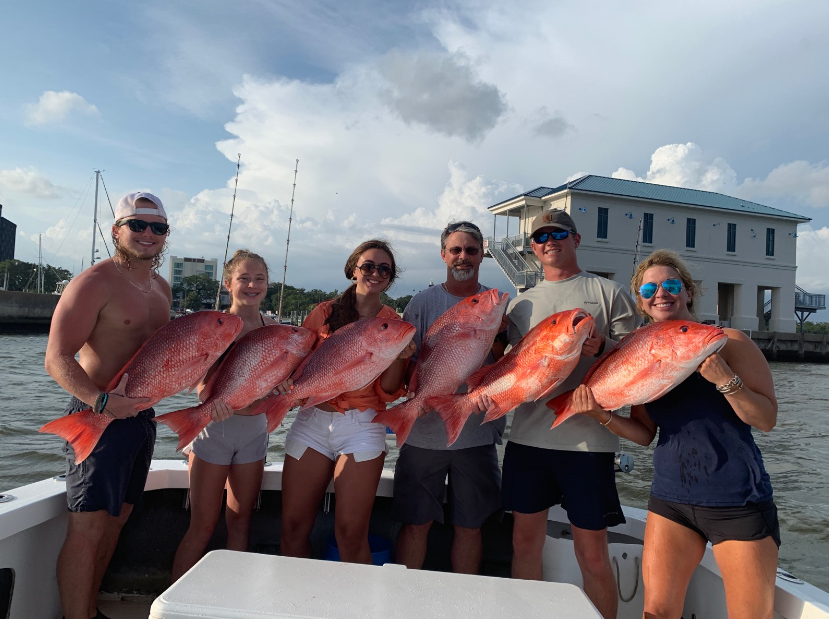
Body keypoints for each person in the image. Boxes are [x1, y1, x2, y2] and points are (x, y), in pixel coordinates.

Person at [571, 248, 779, 619]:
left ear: (688, 292)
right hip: (671, 499)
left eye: (670, 284)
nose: (661, 294)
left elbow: (765, 419)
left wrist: (726, 382)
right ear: (641, 302)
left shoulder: (727, 341)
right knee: (658, 612)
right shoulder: (643, 351)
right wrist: (600, 415)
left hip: (737, 500)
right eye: (649, 289)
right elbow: (643, 434)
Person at [503, 209, 638, 619]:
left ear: (576, 240)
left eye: (559, 233)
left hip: (588, 442)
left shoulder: (608, 292)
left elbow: (638, 355)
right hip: (527, 438)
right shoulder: (519, 303)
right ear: (532, 249)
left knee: (592, 552)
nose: (550, 241)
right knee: (524, 543)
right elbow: (512, 367)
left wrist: (606, 348)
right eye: (541, 236)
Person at [44, 192, 172, 619]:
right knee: (88, 527)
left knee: (118, 520)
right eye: (137, 224)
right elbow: (57, 358)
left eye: (158, 227)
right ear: (117, 230)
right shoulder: (94, 282)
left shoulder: (161, 287)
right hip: (95, 415)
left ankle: (91, 609)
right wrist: (101, 400)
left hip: (140, 420)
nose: (148, 234)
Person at [278, 239, 416, 563]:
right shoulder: (323, 312)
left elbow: (388, 391)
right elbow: (299, 364)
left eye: (385, 268)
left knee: (351, 534)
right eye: (368, 265)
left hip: (361, 426)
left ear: (391, 277)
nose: (376, 272)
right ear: (353, 269)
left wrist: (398, 358)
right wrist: (285, 382)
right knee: (292, 527)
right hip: (311, 421)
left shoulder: (393, 322)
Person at [392, 221, 506, 574]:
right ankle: (402, 601)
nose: (463, 257)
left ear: (481, 255)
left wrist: (499, 339)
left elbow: (505, 365)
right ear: (443, 255)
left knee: (470, 526)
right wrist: (417, 397)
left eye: (471, 250)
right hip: (424, 433)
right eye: (455, 250)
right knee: (415, 524)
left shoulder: (497, 302)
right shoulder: (422, 302)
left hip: (476, 433)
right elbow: (410, 364)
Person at [170, 250, 278, 582]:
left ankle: (233, 598)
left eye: (259, 278)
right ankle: (170, 602)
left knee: (240, 519)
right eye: (244, 278)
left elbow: (280, 384)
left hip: (255, 431)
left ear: (267, 285)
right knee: (202, 524)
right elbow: (198, 381)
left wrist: (283, 386)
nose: (252, 284)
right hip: (214, 428)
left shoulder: (275, 329)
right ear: (228, 283)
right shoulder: (214, 327)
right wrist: (209, 399)